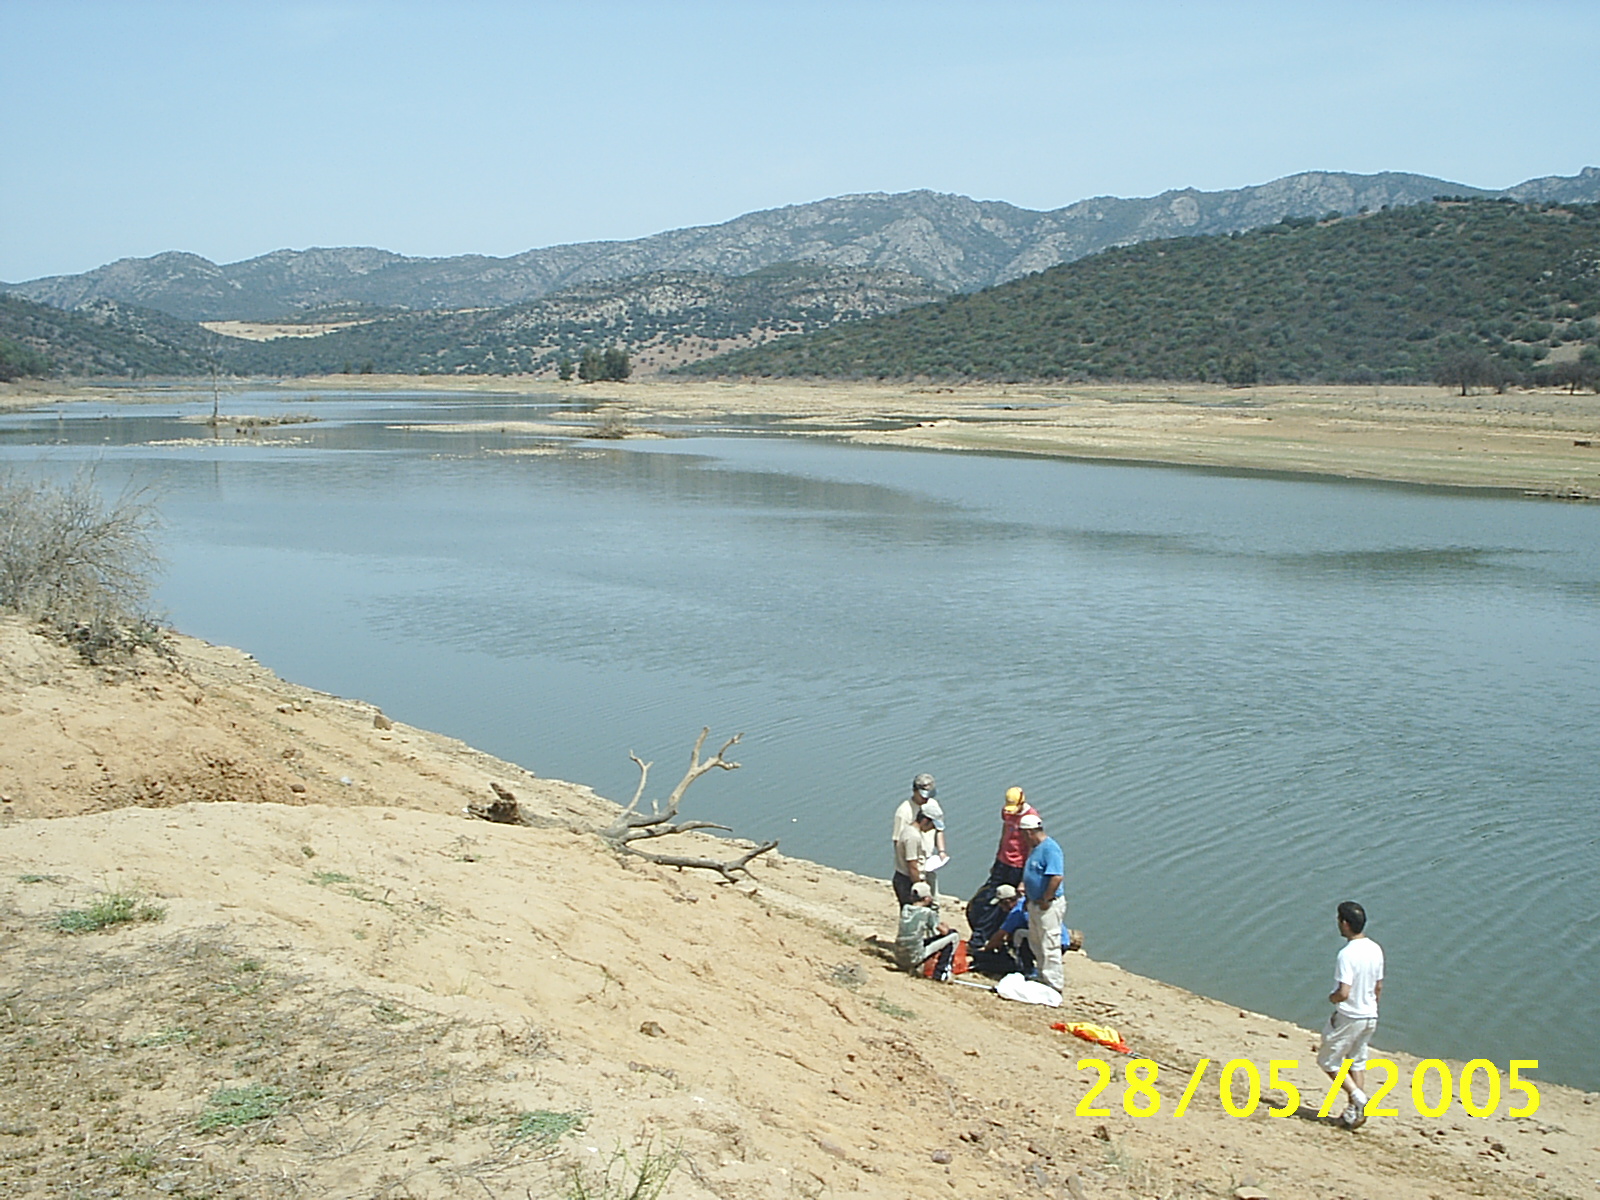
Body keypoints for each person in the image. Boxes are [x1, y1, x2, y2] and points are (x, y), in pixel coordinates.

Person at [1317, 900, 1385, 1131]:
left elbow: (1344, 992)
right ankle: (1353, 1114)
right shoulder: (1375, 949)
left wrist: (1332, 998)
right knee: (1357, 1061)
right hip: (1370, 1014)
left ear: (1345, 923)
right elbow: (1378, 986)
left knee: (1327, 1060)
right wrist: (1372, 1006)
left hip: (1350, 1016)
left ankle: (1358, 1098)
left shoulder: (1346, 954)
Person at [1019, 812, 1066, 992]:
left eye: (1024, 834)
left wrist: (1046, 898)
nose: (1023, 839)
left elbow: (1056, 877)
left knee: (1049, 942)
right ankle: (1041, 974)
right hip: (1034, 903)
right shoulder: (1034, 849)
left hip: (1048, 905)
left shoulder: (1050, 849)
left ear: (1030, 832)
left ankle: (1054, 983)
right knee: (1036, 941)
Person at [895, 880, 958, 980]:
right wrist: (945, 926)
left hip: (899, 956)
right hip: (914, 956)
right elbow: (942, 932)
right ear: (927, 898)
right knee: (953, 936)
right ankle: (942, 973)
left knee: (920, 940)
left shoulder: (906, 909)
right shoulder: (927, 912)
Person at [987, 786, 1039, 889]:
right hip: (1003, 859)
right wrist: (998, 857)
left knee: (1011, 895)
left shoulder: (1031, 817)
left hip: (1018, 863)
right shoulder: (1007, 811)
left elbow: (1033, 846)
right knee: (993, 890)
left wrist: (1024, 878)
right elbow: (1005, 832)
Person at [892, 808, 940, 907]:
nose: (933, 829)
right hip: (908, 881)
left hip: (903, 878)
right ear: (925, 821)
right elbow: (912, 865)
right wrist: (921, 888)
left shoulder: (908, 829)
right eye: (932, 825)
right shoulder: (913, 837)